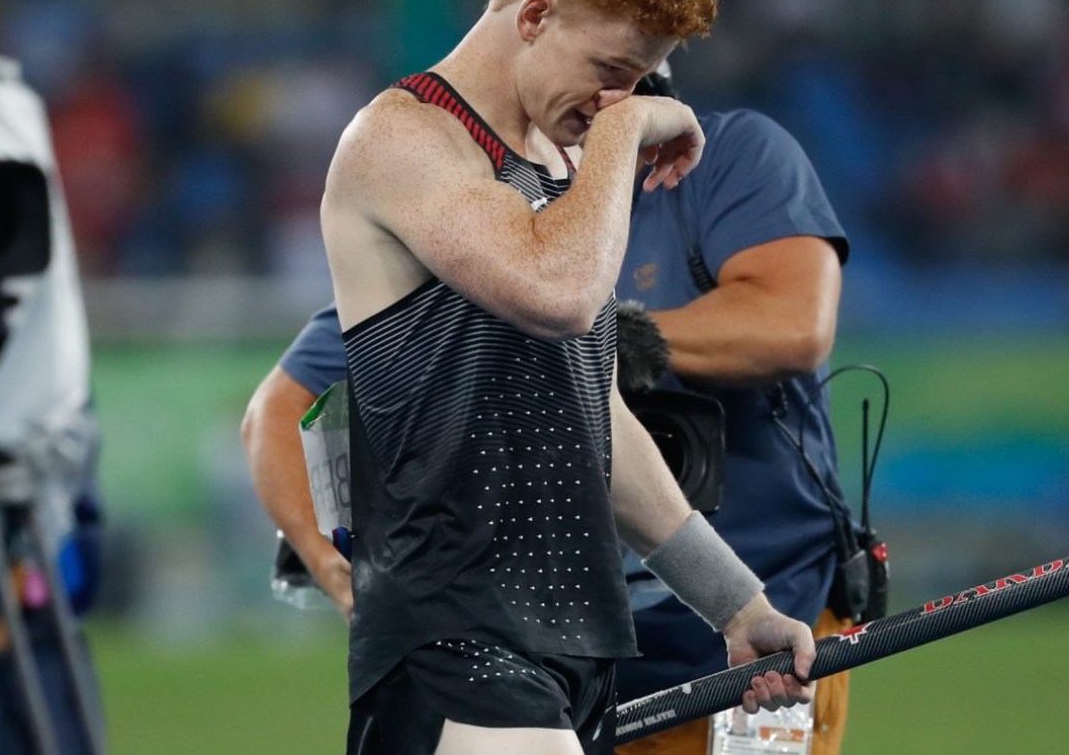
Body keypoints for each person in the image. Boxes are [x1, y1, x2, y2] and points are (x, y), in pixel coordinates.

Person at [306, 0, 814, 755]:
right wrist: (630, 132)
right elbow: (557, 293)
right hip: (452, 637)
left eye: (643, 83)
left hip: (570, 646)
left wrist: (736, 601)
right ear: (533, 16)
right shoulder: (403, 139)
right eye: (613, 74)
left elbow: (595, 425)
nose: (620, 103)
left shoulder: (556, 164)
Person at [244, 58, 856, 754]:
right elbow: (278, 412)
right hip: (547, 671)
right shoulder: (485, 223)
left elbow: (794, 324)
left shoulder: (731, 158)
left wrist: (614, 340)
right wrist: (344, 580)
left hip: (747, 661)